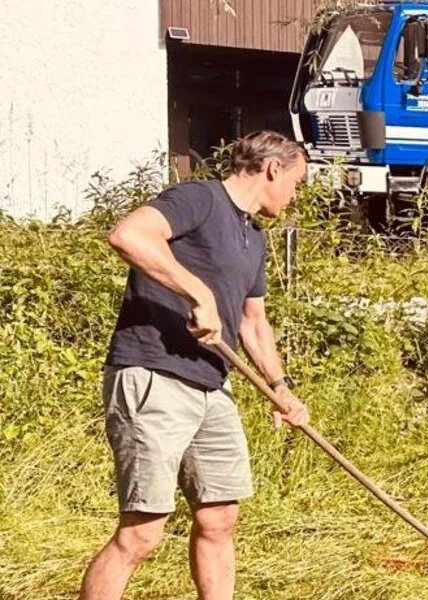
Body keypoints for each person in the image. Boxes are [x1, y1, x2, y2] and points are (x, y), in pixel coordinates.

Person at [81, 131, 313, 600]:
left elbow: (253, 321)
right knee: (143, 531)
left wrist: (280, 387)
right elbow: (128, 235)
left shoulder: (254, 237)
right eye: (297, 182)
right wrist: (197, 293)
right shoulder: (199, 199)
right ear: (273, 169)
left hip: (212, 385)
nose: (295, 194)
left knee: (219, 517)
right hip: (154, 374)